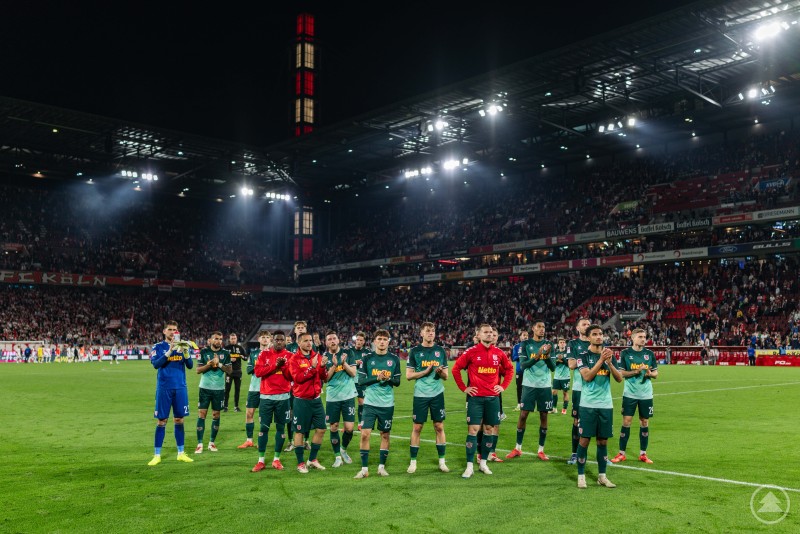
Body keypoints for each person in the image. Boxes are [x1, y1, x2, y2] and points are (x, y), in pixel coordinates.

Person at [452, 323, 514, 479]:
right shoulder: (471, 352)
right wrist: (464, 388)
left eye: (491, 332)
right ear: (478, 335)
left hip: (493, 399)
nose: (489, 334)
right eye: (486, 332)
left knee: (488, 430)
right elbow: (455, 369)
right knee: (473, 430)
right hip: (476, 399)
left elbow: (509, 369)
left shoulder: (499, 353)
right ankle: (469, 466)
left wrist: (503, 386)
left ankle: (483, 463)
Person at [575, 324, 623, 489]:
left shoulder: (609, 355)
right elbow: (587, 377)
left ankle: (602, 476)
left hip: (605, 405)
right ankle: (581, 476)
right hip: (587, 405)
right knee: (584, 440)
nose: (599, 337)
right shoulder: (582, 356)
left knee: (603, 441)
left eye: (601, 334)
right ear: (588, 337)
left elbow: (619, 379)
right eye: (595, 334)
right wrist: (601, 360)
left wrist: (610, 364)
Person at [354, 329, 401, 479]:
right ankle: (364, 469)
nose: (382, 342)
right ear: (374, 341)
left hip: (387, 404)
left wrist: (388, 379)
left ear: (388, 342)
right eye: (379, 339)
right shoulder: (367, 359)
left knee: (385, 435)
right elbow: (361, 381)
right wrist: (377, 378)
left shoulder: (394, 359)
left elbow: (397, 382)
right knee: (365, 434)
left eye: (384, 339)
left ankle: (381, 467)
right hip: (370, 403)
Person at [148, 320, 194, 465]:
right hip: (164, 388)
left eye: (175, 330)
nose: (172, 332)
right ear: (164, 331)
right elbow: (156, 364)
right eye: (170, 329)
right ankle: (157, 455)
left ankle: (181, 453)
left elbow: (190, 366)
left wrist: (185, 352)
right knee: (162, 421)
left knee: (179, 420)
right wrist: (170, 351)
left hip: (180, 387)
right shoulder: (158, 347)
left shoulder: (182, 346)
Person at [506, 320, 554, 461]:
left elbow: (553, 367)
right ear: (533, 328)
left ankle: (541, 450)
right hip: (529, 385)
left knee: (544, 416)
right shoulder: (525, 344)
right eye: (539, 326)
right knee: (523, 415)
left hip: (545, 385)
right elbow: (523, 365)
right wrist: (538, 355)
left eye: (543, 327)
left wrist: (546, 356)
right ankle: (517, 448)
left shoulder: (549, 344)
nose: (542, 329)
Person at [406, 321, 450, 474]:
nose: (431, 333)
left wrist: (440, 373)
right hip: (420, 394)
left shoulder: (440, 351)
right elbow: (409, 376)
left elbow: (446, 376)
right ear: (421, 333)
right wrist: (425, 372)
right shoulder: (415, 351)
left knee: (439, 426)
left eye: (433, 331)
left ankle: (442, 462)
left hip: (437, 394)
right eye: (427, 330)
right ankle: (413, 462)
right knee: (417, 427)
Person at [611, 328, 658, 465]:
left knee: (644, 422)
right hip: (630, 394)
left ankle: (643, 454)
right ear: (632, 338)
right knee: (626, 422)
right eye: (640, 337)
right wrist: (637, 371)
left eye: (644, 337)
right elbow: (622, 373)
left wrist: (649, 373)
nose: (643, 339)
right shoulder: (625, 353)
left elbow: (656, 374)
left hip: (646, 394)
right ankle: (621, 453)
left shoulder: (649, 354)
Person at [251, 330, 294, 472]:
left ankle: (276, 459)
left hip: (283, 397)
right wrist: (275, 365)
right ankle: (260, 461)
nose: (279, 342)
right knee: (264, 428)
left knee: (281, 429)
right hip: (266, 397)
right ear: (272, 340)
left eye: (282, 340)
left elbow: (291, 377)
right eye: (277, 339)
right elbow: (258, 372)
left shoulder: (290, 356)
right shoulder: (264, 354)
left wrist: (283, 366)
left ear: (285, 341)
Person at [287, 332, 329, 473]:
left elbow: (324, 378)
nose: (309, 343)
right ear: (299, 343)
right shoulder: (294, 359)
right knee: (299, 431)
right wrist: (312, 367)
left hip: (316, 400)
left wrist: (322, 367)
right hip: (301, 400)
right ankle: (300, 463)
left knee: (321, 429)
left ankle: (312, 459)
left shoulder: (317, 356)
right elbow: (298, 378)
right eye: (305, 340)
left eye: (310, 340)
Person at [322, 331, 358, 467]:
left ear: (338, 340)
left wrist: (344, 363)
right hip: (333, 397)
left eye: (334, 338)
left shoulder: (348, 353)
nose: (332, 341)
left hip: (348, 395)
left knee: (349, 428)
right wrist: (333, 366)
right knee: (334, 426)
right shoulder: (324, 358)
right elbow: (325, 379)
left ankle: (343, 449)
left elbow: (353, 373)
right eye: (329, 339)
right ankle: (337, 456)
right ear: (326, 342)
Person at [195, 331, 232, 454]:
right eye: (216, 338)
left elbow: (230, 371)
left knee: (216, 415)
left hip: (219, 389)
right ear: (210, 340)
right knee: (202, 414)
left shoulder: (225, 353)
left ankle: (211, 442)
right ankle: (200, 444)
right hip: (204, 388)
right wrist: (210, 364)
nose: (219, 341)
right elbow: (198, 370)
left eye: (220, 339)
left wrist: (219, 364)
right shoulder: (204, 352)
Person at [238, 330, 271, 450]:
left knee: (264, 416)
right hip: (254, 388)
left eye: (267, 337)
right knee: (249, 413)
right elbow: (249, 370)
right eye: (263, 337)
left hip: (267, 389)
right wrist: (263, 367)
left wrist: (259, 367)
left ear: (270, 339)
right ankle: (249, 440)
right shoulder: (254, 354)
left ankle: (262, 440)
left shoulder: (272, 354)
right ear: (258, 339)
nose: (265, 339)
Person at [566, 317, 591, 465]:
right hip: (579, 388)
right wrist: (589, 356)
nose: (587, 326)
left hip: (595, 389)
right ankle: (575, 453)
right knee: (576, 421)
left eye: (588, 324)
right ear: (577, 328)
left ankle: (602, 455)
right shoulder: (573, 344)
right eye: (584, 324)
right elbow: (571, 364)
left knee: (596, 421)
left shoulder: (597, 342)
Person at [284, 320, 312, 452]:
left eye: (302, 327)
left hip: (307, 387)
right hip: (292, 387)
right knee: (291, 413)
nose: (300, 329)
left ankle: (306, 441)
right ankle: (291, 441)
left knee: (307, 414)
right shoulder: (289, 347)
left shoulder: (311, 347)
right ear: (295, 330)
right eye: (298, 327)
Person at [350, 332, 370, 429]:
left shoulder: (367, 352)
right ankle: (347, 424)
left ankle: (360, 423)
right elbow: (343, 363)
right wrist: (355, 362)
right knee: (348, 402)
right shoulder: (349, 351)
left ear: (364, 342)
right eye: (357, 339)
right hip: (349, 380)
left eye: (361, 340)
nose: (358, 341)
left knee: (361, 402)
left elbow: (370, 365)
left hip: (361, 380)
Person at [224, 332, 247, 413]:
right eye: (232, 339)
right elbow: (222, 359)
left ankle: (236, 407)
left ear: (236, 339)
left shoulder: (240, 348)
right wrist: (229, 359)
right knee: (227, 389)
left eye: (234, 338)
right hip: (229, 371)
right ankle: (225, 406)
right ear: (229, 339)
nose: (233, 340)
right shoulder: (226, 348)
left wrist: (242, 357)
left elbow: (246, 357)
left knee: (237, 390)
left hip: (238, 372)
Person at [510, 330, 528, 411]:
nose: (525, 337)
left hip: (529, 371)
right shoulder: (516, 347)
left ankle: (528, 404)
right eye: (524, 335)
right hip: (519, 370)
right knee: (519, 387)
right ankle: (519, 404)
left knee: (529, 388)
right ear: (520, 337)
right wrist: (521, 356)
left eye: (527, 335)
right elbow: (513, 358)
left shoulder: (530, 346)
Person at [552, 337, 570, 414]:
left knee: (565, 392)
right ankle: (554, 408)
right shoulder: (555, 353)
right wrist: (558, 361)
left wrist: (562, 359)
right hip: (556, 376)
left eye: (563, 342)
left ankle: (564, 409)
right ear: (558, 344)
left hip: (566, 376)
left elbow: (569, 364)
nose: (562, 344)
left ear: (565, 344)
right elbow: (553, 364)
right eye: (561, 342)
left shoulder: (568, 353)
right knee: (554, 392)